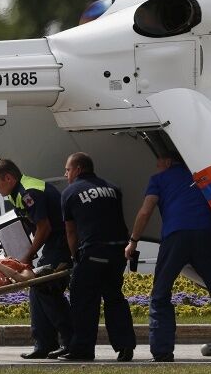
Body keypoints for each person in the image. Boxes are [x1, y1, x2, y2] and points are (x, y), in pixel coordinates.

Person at [124, 152, 211, 363]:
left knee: (160, 294)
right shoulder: (201, 177)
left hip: (176, 237)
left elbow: (145, 211)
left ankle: (162, 352)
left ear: (168, 162)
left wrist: (133, 240)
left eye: (158, 162)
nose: (156, 166)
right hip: (205, 237)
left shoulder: (159, 179)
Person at [0, 159, 72, 360]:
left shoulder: (29, 192)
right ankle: (44, 343)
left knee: (45, 287)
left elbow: (45, 228)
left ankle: (71, 341)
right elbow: (31, 225)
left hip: (61, 242)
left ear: (8, 178)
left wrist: (26, 256)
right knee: (36, 289)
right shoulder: (15, 193)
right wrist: (22, 252)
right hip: (52, 243)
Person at [61, 152, 136, 362]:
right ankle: (125, 346)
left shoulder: (70, 192)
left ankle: (83, 350)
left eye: (67, 170)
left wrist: (75, 255)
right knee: (114, 297)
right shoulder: (113, 188)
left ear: (77, 169)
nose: (66, 174)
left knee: (83, 300)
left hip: (93, 252)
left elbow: (71, 231)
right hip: (118, 252)